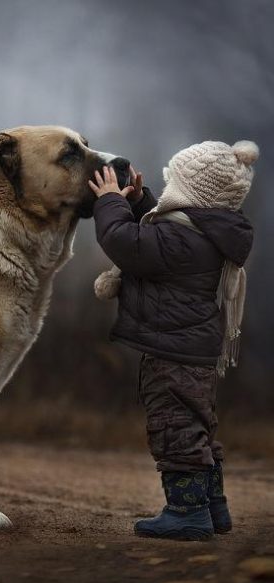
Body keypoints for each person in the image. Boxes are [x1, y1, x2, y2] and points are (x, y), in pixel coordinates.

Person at [88, 140, 258, 540]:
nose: (166, 192)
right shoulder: (202, 232)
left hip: (173, 353)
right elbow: (156, 233)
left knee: (174, 428)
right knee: (197, 426)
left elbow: (123, 241)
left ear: (193, 193)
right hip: (193, 350)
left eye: (172, 183)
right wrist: (138, 200)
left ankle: (186, 513)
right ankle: (213, 508)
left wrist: (110, 202)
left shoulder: (181, 240)